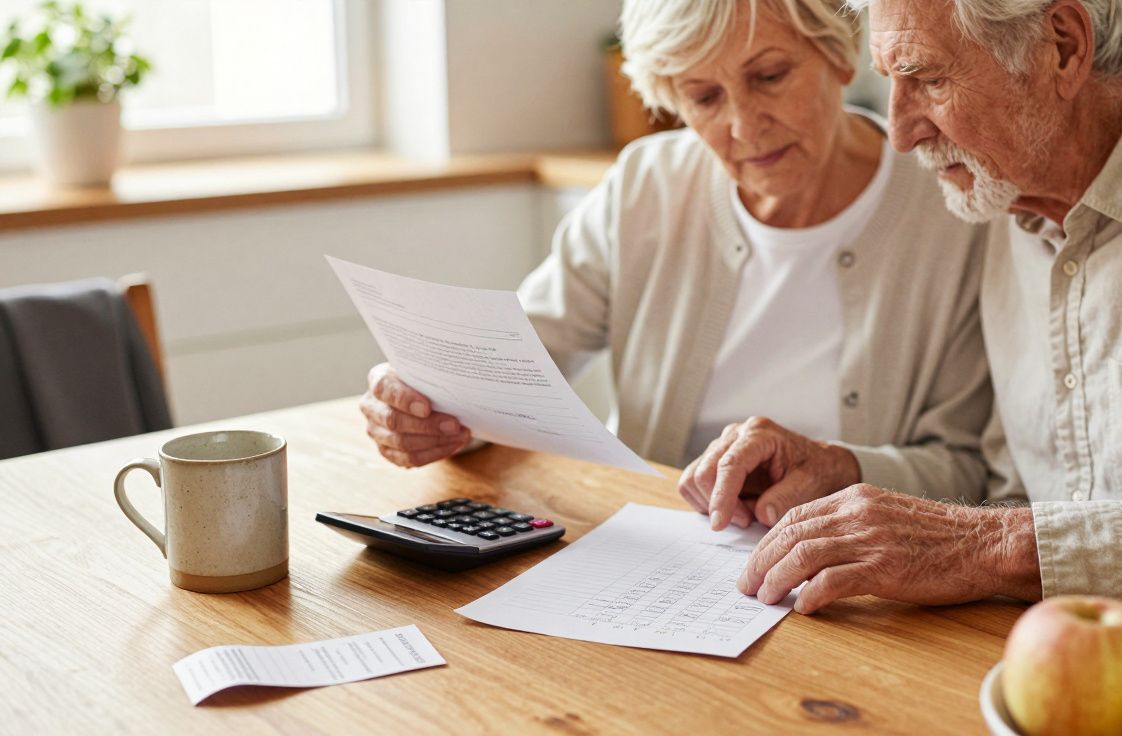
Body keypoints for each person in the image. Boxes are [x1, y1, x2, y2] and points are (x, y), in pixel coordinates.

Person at [705, 0, 1122, 618]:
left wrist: (995, 548)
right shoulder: (1003, 191)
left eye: (929, 79)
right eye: (891, 81)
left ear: (1064, 47)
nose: (902, 131)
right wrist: (842, 472)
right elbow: (1002, 489)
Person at [360, 0, 995, 528]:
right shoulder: (646, 184)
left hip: (854, 580)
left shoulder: (952, 206)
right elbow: (515, 366)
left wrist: (842, 466)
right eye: (704, 96)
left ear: (839, 54)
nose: (744, 126)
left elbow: (965, 467)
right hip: (656, 557)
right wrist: (431, 406)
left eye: (770, 76)